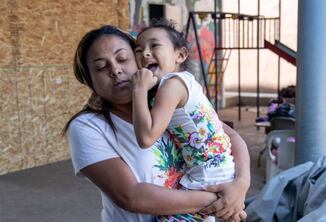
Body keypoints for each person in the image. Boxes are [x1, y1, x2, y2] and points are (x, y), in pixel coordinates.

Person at [64, 25, 250, 222]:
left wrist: (241, 184)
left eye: (122, 59)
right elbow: (131, 196)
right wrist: (222, 200)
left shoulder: (165, 102)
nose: (115, 70)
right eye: (101, 67)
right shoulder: (87, 126)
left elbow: (229, 136)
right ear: (90, 81)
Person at [131, 20, 240, 221]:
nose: (145, 53)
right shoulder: (188, 81)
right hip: (219, 170)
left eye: (154, 46)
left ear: (180, 55)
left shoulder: (171, 86)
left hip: (207, 177)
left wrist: (138, 89)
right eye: (138, 50)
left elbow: (146, 137)